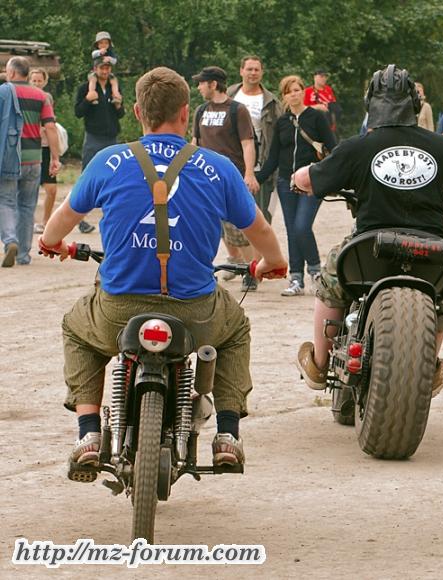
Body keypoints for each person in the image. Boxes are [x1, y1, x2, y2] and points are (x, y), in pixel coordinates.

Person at [39, 66, 287, 472]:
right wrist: (272, 264)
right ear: (186, 111)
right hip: (195, 310)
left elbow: (58, 224)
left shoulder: (108, 160)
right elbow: (258, 228)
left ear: (137, 111)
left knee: (76, 328)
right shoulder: (219, 167)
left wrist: (53, 244)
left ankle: (88, 433)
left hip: (119, 308)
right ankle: (227, 434)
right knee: (236, 329)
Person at [292, 64, 443, 396]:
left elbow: (305, 179)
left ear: (370, 104)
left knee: (332, 280)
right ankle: (428, 367)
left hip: (368, 252)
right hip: (430, 252)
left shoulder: (357, 147)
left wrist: (298, 178)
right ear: (415, 105)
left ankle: (319, 363)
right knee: (441, 301)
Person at [256, 75, 337, 296]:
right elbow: (273, 157)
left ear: (304, 92)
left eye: (298, 89)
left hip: (312, 181)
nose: (294, 94)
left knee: (302, 226)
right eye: (289, 91)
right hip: (285, 182)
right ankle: (296, 279)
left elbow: (333, 147)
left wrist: (333, 176)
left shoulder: (317, 117)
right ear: (284, 96)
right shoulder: (282, 122)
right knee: (292, 231)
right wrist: (256, 179)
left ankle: (315, 272)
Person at [191, 66, 260, 292]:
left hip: (230, 179)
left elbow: (247, 143)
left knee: (238, 228)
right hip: (203, 181)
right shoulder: (200, 110)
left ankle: (251, 271)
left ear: (213, 84)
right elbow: (195, 142)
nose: (199, 87)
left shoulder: (237, 110)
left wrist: (249, 173)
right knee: (211, 227)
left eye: (202, 82)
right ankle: (235, 264)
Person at [0, 56, 61, 267]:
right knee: (27, 205)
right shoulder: (41, 95)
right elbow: (51, 127)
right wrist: (55, 157)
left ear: (13, 73)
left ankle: (10, 241)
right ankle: (23, 254)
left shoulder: (3, 92)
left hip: (8, 158)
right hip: (34, 159)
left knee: (6, 201)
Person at [227, 55, 283, 224]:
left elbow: (279, 136)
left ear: (262, 72)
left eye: (256, 69)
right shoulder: (230, 96)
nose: (253, 73)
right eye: (249, 69)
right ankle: (239, 251)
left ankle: (258, 252)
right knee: (230, 219)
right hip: (231, 164)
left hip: (261, 167)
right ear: (241, 71)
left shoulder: (271, 102)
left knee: (260, 219)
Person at [74, 55, 125, 234]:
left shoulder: (114, 88)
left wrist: (118, 104)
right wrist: (88, 99)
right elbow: (78, 112)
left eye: (108, 68)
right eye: (102, 68)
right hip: (93, 137)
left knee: (113, 177)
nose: (105, 71)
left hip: (111, 137)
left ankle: (113, 216)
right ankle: (80, 219)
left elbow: (121, 115)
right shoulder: (84, 88)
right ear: (95, 69)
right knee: (87, 177)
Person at [29, 67, 59, 234]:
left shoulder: (47, 97)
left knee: (51, 189)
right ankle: (28, 220)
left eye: (39, 80)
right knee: (29, 187)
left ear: (45, 82)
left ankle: (45, 221)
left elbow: (50, 121)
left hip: (46, 147)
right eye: (34, 80)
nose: (36, 83)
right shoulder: (22, 97)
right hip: (30, 147)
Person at [88, 31, 122, 104]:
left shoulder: (110, 52)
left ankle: (116, 96)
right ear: (97, 44)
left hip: (107, 73)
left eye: (106, 43)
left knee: (114, 81)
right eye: (101, 43)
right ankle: (92, 94)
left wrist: (109, 59)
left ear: (109, 44)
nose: (104, 45)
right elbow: (93, 55)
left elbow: (115, 61)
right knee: (93, 80)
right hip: (96, 72)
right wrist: (100, 52)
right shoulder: (96, 52)